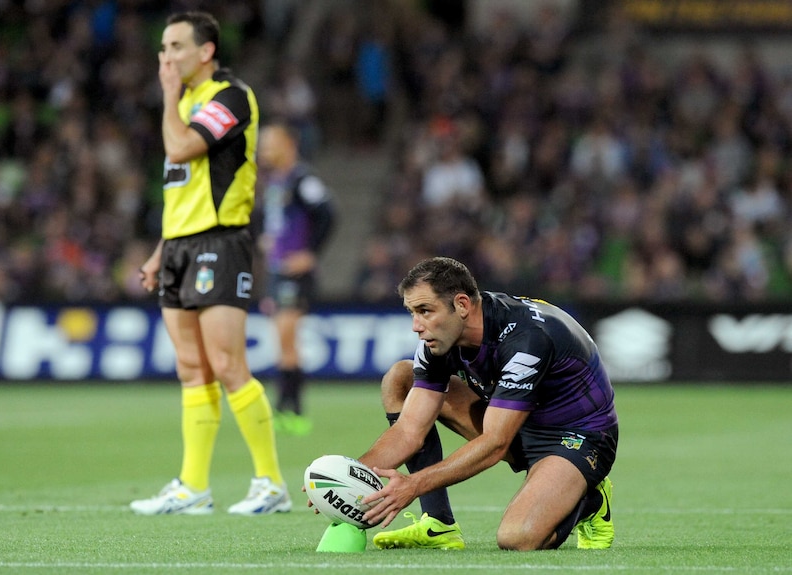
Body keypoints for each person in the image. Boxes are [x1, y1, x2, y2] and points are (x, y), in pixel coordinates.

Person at [130, 11, 290, 517]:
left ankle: (271, 483)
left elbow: (180, 147)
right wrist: (161, 250)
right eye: (163, 47)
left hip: (219, 244)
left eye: (176, 46)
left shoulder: (230, 97)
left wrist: (167, 94)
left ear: (206, 51)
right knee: (191, 367)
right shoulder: (187, 102)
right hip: (180, 246)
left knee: (227, 365)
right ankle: (193, 486)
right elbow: (183, 188)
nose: (167, 57)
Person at [350, 256, 618, 550]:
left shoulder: (526, 339)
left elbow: (495, 444)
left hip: (577, 438)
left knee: (518, 539)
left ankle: (589, 497)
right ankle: (437, 523)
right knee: (401, 377)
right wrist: (347, 475)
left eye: (425, 311)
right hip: (514, 422)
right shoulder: (440, 339)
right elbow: (408, 431)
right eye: (412, 312)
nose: (416, 326)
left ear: (462, 305)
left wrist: (413, 485)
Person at [255, 123, 335, 435]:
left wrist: (310, 253)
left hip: (294, 273)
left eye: (270, 142)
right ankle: (286, 408)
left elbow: (328, 213)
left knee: (288, 336)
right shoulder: (276, 181)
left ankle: (293, 409)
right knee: (281, 339)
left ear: (289, 144)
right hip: (277, 271)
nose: (264, 149)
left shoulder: (303, 179)